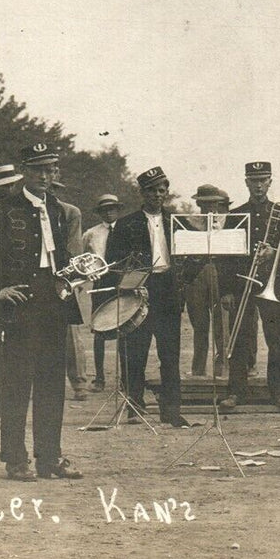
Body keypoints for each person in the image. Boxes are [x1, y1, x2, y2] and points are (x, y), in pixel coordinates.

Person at [0, 142, 84, 481]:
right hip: (20, 305)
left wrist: (71, 278)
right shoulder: (2, 207)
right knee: (17, 385)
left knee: (51, 385)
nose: (45, 176)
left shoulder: (58, 210)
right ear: (24, 173)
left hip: (54, 303)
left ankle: (49, 458)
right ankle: (15, 459)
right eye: (38, 169)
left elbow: (63, 257)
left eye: (50, 169)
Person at [104, 166, 190, 428]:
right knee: (135, 350)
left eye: (162, 190)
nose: (157, 195)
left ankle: (171, 410)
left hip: (168, 291)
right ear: (142, 193)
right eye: (151, 190)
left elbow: (190, 255)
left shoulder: (176, 221)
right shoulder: (127, 224)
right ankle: (134, 404)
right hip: (139, 290)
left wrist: (184, 280)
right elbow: (113, 262)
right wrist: (129, 283)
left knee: (170, 354)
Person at [221, 161, 280, 410]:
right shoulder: (235, 215)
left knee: (275, 340)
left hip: (272, 284)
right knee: (240, 339)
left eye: (263, 180)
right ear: (246, 182)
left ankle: (279, 392)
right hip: (242, 284)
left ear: (270, 182)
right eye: (253, 181)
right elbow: (225, 257)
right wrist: (227, 290)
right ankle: (236, 392)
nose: (258, 185)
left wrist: (275, 252)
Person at [182, 185, 233, 381]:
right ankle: (198, 370)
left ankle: (222, 369)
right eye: (205, 204)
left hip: (220, 274)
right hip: (196, 276)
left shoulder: (228, 222)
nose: (210, 208)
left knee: (222, 324)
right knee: (200, 325)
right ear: (199, 204)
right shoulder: (189, 222)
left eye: (213, 203)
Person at [52, 175, 90, 401]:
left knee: (70, 333)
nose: (52, 192)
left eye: (55, 188)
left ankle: (79, 383)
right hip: (37, 277)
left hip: (63, 276)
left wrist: (69, 278)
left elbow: (74, 248)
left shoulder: (70, 212)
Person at [83, 194, 122, 392]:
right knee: (99, 330)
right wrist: (89, 273)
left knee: (124, 327)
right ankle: (99, 378)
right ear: (99, 213)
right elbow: (82, 256)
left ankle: (125, 379)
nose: (109, 212)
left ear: (118, 210)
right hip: (100, 282)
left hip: (122, 282)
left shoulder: (125, 230)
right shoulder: (91, 233)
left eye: (113, 208)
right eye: (105, 209)